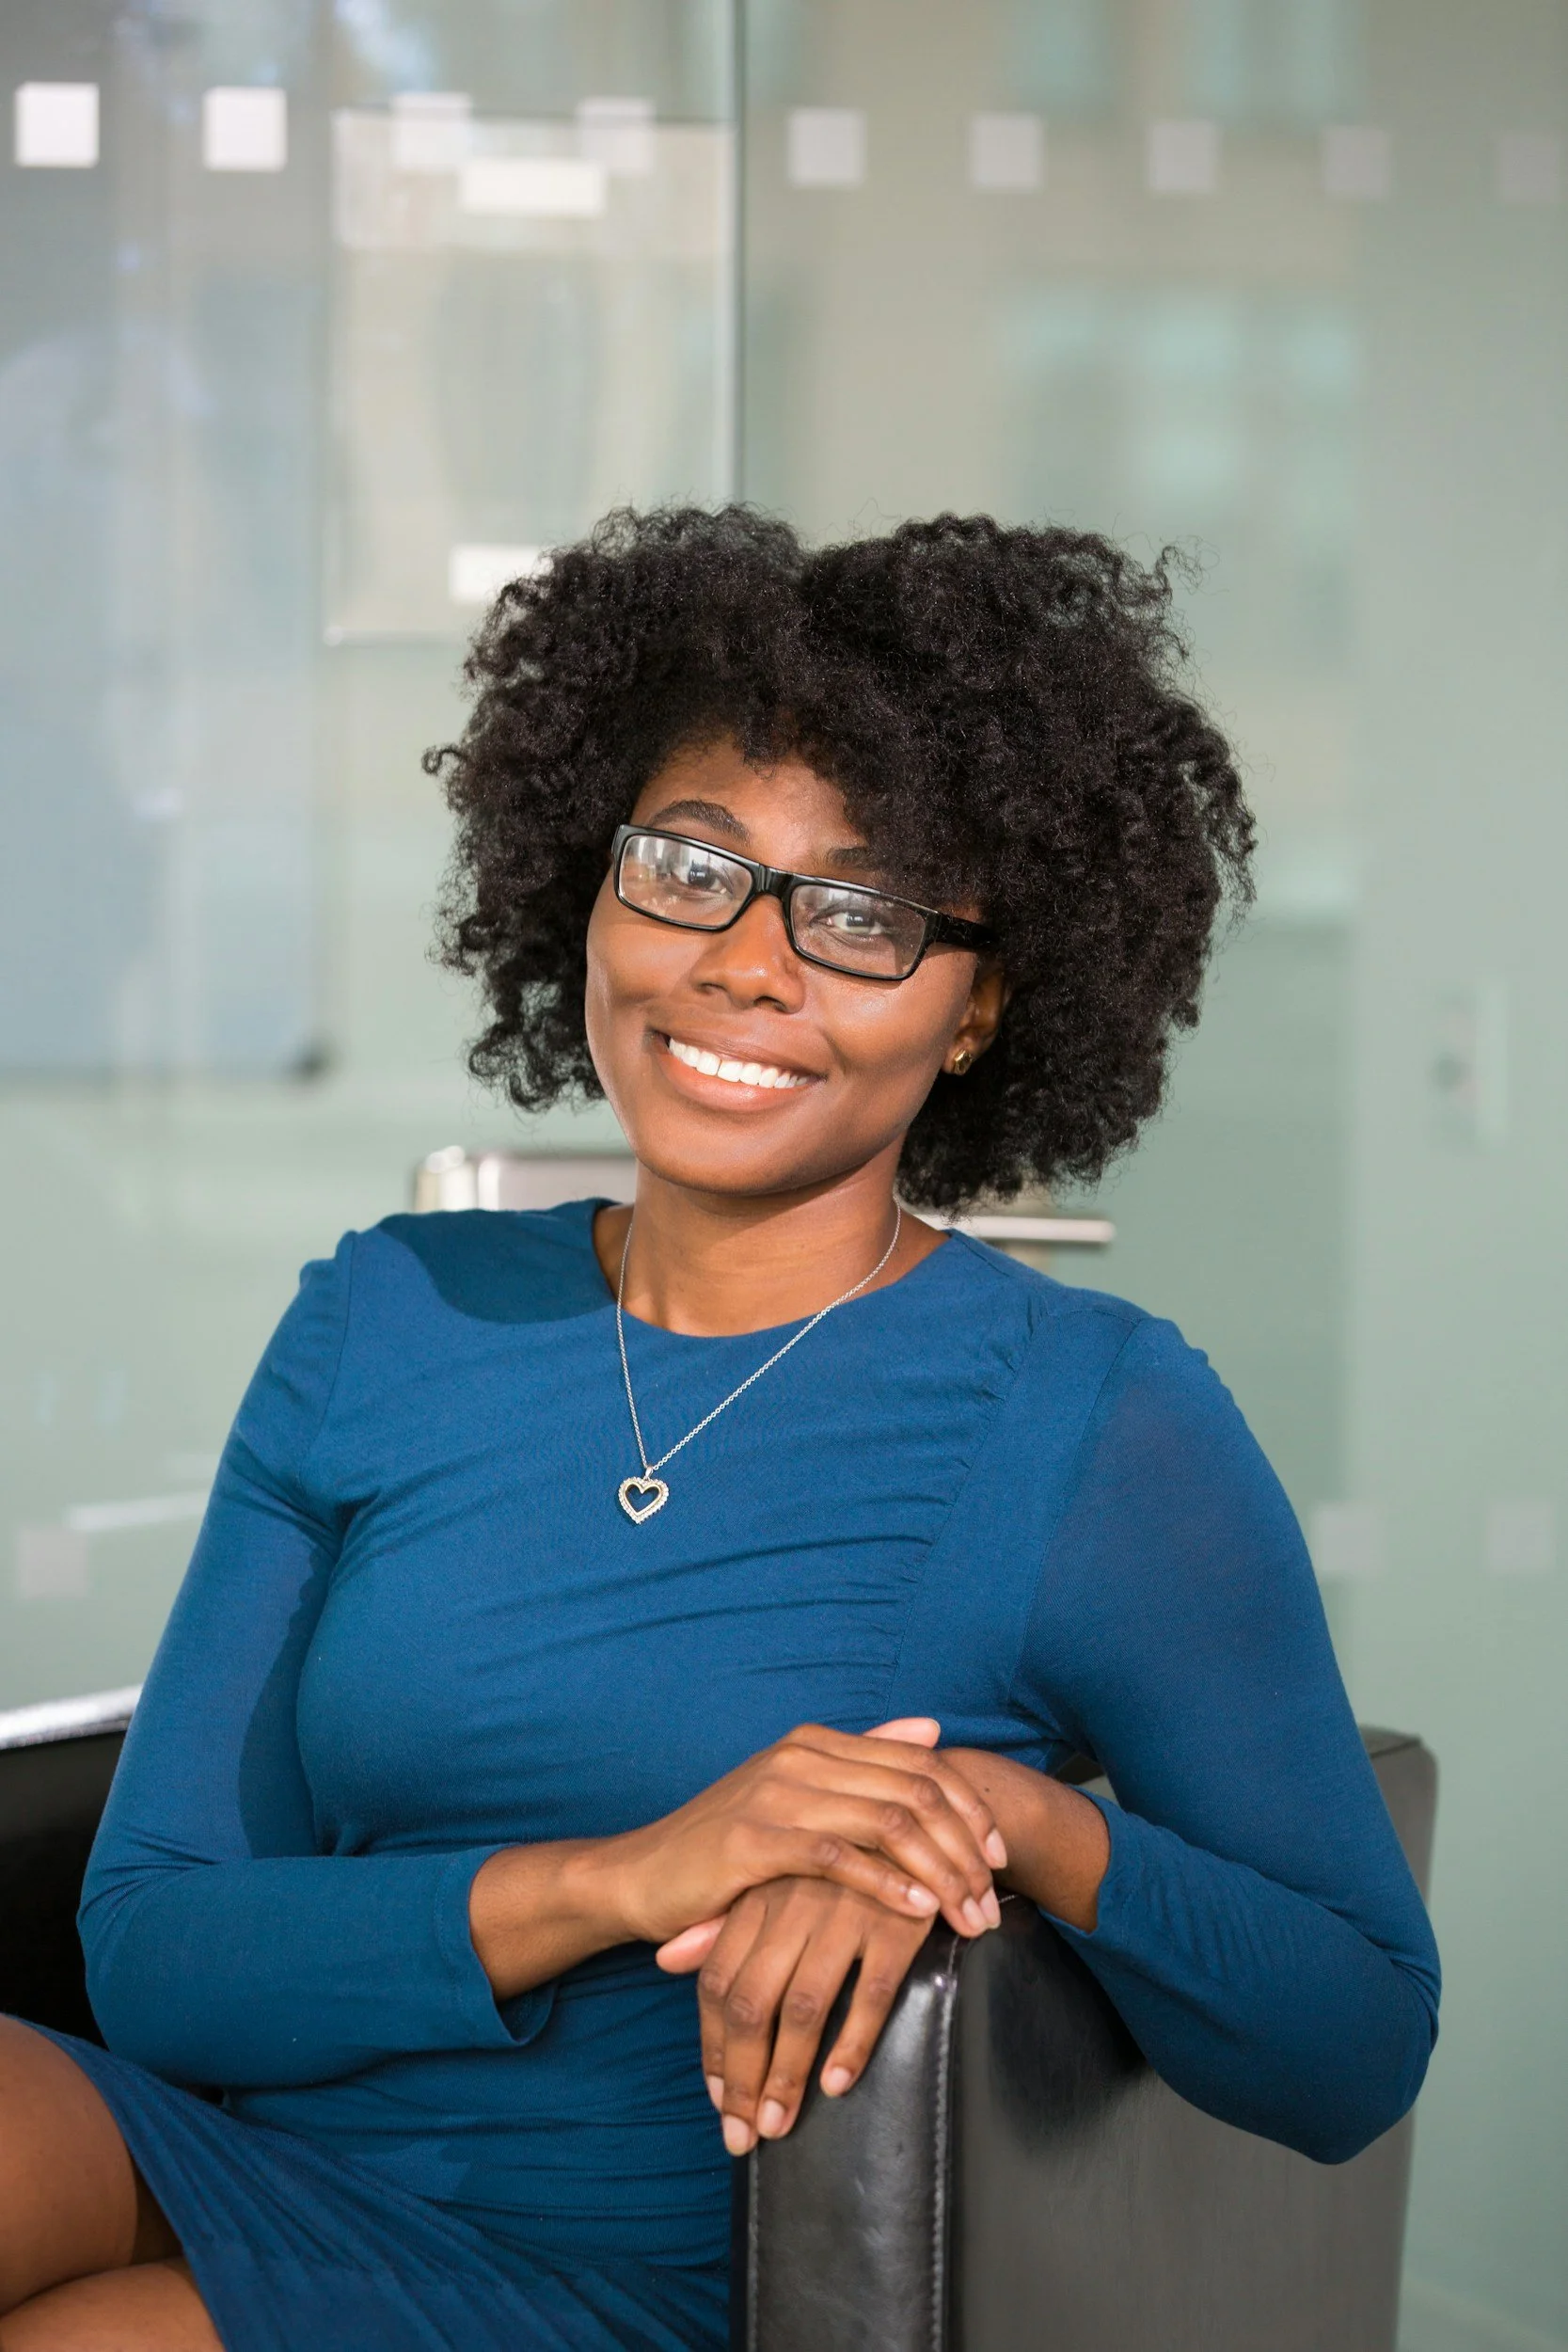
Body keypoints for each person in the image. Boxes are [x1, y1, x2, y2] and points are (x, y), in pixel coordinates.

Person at [0, 509, 1439, 2350]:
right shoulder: (388, 1311)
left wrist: (997, 1817)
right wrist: (628, 1873)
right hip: (236, 2144)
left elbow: (1348, 2038)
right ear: (588, 888)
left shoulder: (1092, 1416)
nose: (749, 962)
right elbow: (162, 1952)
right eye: (690, 863)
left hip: (626, 2277)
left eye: (860, 910)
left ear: (982, 998)